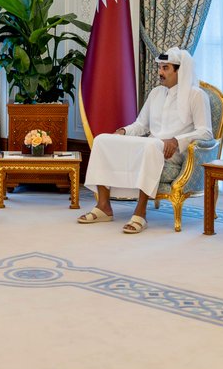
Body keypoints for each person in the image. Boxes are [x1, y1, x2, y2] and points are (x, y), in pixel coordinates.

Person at [79, 48, 212, 234]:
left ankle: (140, 213)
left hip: (175, 152)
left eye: (165, 68)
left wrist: (176, 140)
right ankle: (103, 207)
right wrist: (124, 131)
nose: (160, 72)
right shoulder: (156, 93)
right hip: (152, 145)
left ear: (179, 70)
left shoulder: (196, 95)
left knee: (151, 145)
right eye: (159, 67)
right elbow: (141, 125)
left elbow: (206, 133)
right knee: (102, 140)